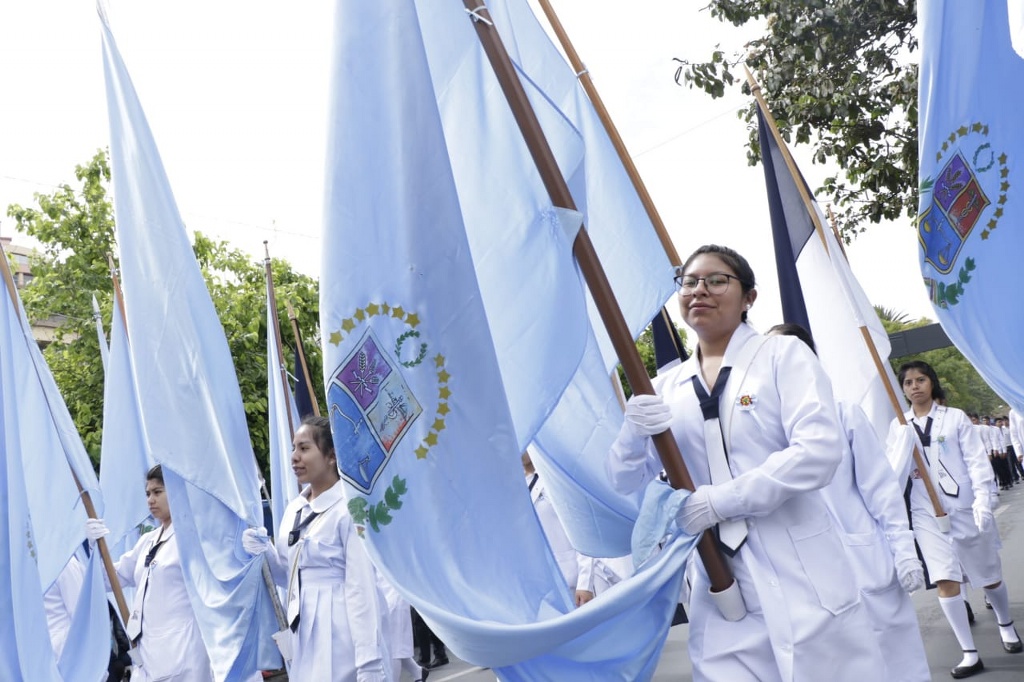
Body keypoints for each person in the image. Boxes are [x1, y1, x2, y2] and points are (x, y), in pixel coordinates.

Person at [606, 244, 883, 682]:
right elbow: (623, 480)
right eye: (690, 282)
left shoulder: (783, 357)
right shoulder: (665, 385)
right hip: (718, 574)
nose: (700, 290)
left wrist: (721, 502)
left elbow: (818, 452)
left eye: (717, 280)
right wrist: (631, 433)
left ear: (749, 297)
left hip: (796, 560)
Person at [767, 323, 930, 680]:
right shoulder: (760, 429)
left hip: (862, 560)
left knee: (898, 663)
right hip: (805, 575)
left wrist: (903, 550)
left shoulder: (842, 414)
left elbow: (882, 491)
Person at [886, 360, 1021, 678]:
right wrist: (901, 451)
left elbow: (976, 462)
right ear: (903, 389)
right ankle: (969, 652)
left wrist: (983, 500)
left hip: (963, 508)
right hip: (926, 513)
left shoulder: (954, 418)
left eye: (921, 380)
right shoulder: (899, 425)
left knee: (988, 575)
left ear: (931, 383)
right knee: (946, 579)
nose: (915, 386)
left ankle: (1006, 624)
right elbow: (892, 474)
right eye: (908, 383)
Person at [242, 415, 390, 681]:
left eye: (304, 448)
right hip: (303, 631)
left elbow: (361, 587)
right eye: (293, 448)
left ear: (331, 456)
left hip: (341, 630)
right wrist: (263, 551)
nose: (294, 457)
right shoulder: (294, 510)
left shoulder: (349, 508)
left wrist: (369, 660)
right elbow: (289, 575)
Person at [85, 465, 214, 681]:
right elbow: (109, 579)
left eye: (157, 492)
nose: (150, 500)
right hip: (146, 652)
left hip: (183, 651)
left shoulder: (192, 539)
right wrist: (92, 548)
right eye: (147, 494)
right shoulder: (147, 541)